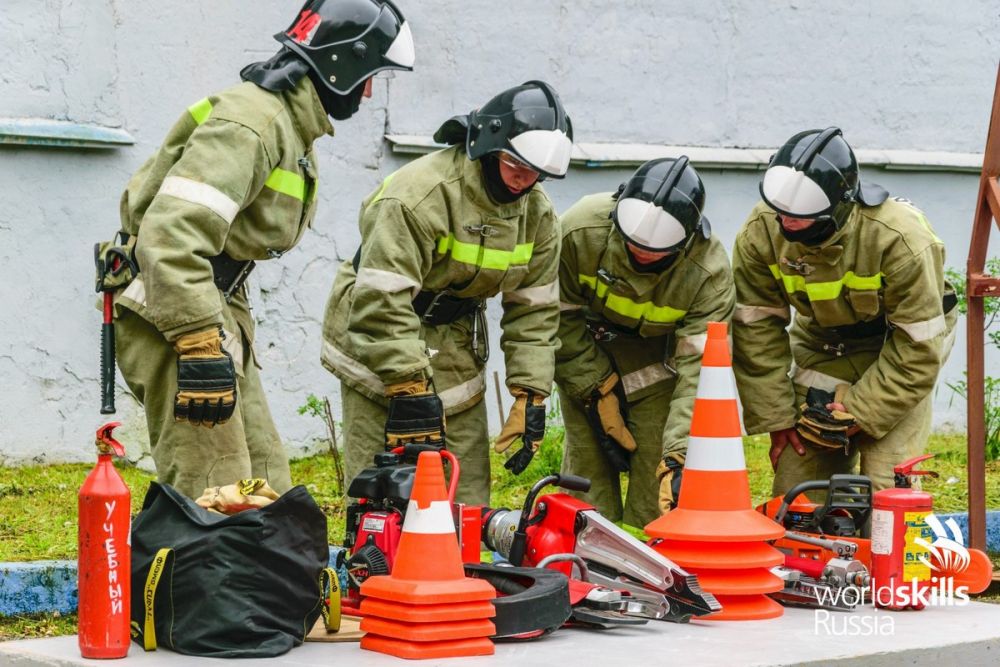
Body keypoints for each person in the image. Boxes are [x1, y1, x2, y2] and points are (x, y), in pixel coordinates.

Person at [103, 0, 414, 499]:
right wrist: (199, 343)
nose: (370, 90)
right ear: (342, 62)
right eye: (370, 76)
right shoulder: (255, 124)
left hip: (209, 306)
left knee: (264, 485)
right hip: (176, 312)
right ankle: (198, 555)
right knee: (215, 491)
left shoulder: (287, 123)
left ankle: (248, 555)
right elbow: (172, 235)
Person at [321, 80, 573, 504]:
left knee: (464, 495)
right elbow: (381, 300)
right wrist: (408, 386)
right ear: (490, 145)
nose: (523, 178)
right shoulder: (419, 196)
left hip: (456, 339)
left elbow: (535, 310)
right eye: (515, 163)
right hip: (379, 333)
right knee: (380, 491)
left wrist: (530, 393)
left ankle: (459, 548)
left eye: (535, 171)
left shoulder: (539, 216)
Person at [731, 127, 956, 496]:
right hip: (822, 341)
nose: (784, 220)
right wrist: (778, 418)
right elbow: (755, 329)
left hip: (902, 345)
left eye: (799, 213)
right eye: (779, 207)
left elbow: (918, 347)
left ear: (838, 205)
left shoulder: (900, 240)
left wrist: (859, 412)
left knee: (887, 486)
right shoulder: (761, 231)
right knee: (798, 491)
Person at [554, 157, 735, 527]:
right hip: (583, 355)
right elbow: (554, 317)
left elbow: (699, 372)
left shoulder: (709, 272)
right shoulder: (580, 229)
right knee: (586, 479)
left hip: (659, 372)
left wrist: (679, 457)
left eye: (657, 251)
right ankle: (585, 553)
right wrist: (593, 387)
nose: (642, 252)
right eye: (632, 242)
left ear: (688, 239)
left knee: (657, 487)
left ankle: (648, 557)